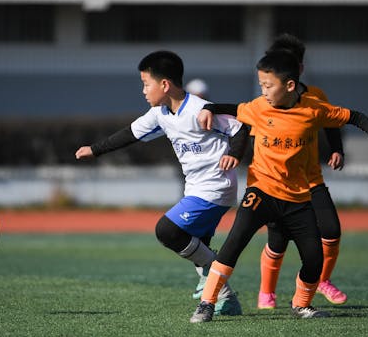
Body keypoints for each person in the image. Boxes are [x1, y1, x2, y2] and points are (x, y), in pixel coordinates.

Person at [189, 50, 368, 322]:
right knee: (233, 244)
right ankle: (207, 303)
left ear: (290, 85)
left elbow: (355, 117)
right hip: (261, 192)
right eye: (261, 84)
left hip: (298, 198)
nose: (263, 90)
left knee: (315, 258)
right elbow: (228, 108)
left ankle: (301, 304)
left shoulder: (313, 110)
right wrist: (208, 108)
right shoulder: (257, 107)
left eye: (268, 85)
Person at [75, 50, 249, 316]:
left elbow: (239, 127)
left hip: (216, 187)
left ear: (165, 84)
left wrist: (234, 154)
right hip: (196, 189)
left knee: (167, 231)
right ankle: (225, 299)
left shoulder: (199, 109)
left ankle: (218, 272)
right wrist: (95, 149)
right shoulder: (160, 113)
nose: (144, 91)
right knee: (195, 245)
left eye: (146, 84)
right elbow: (130, 133)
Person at [257, 33, 348, 310]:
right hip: (277, 184)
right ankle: (266, 293)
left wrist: (337, 149)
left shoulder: (316, 96)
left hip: (311, 180)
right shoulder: (266, 100)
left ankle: (321, 281)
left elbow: (332, 121)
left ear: (300, 70)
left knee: (331, 231)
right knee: (277, 242)